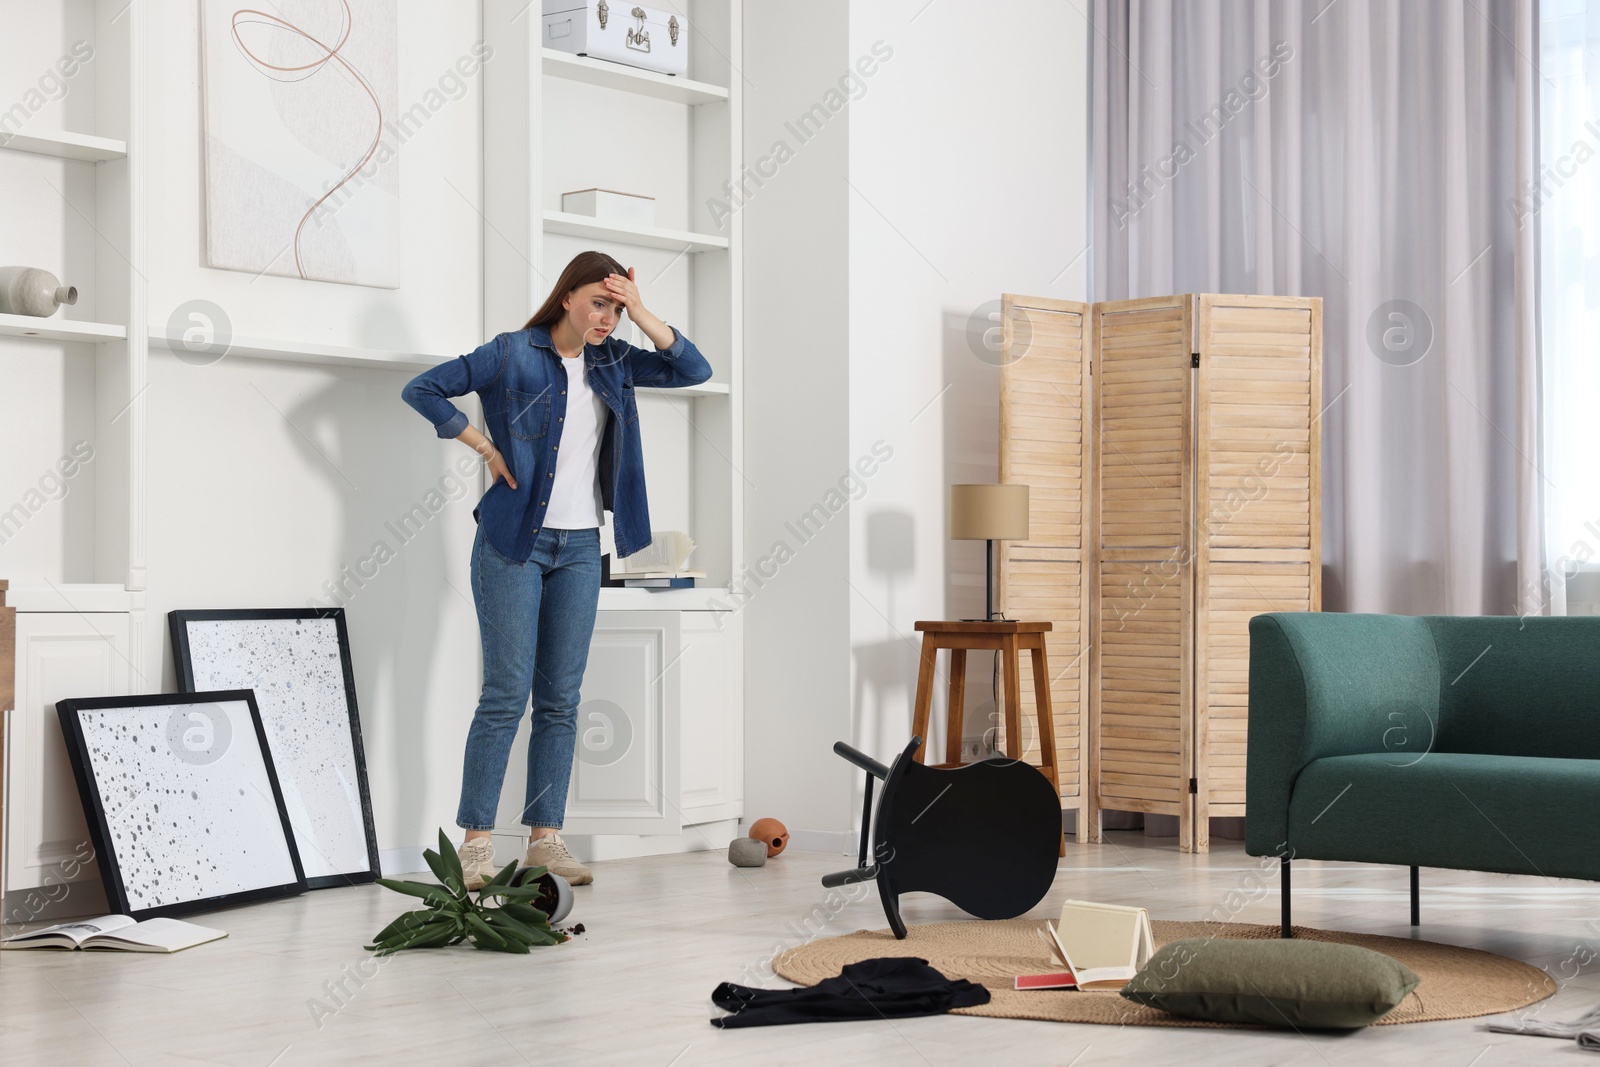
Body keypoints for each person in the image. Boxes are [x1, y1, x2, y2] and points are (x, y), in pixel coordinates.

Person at [400, 250, 712, 888]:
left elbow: (694, 369)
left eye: (616, 309)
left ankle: (546, 838)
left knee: (563, 701)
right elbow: (423, 388)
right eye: (599, 303)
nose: (608, 319)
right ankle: (478, 845)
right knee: (506, 696)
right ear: (567, 296)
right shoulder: (513, 352)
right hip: (514, 542)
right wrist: (480, 442)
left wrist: (640, 308)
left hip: (579, 548)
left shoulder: (615, 361)